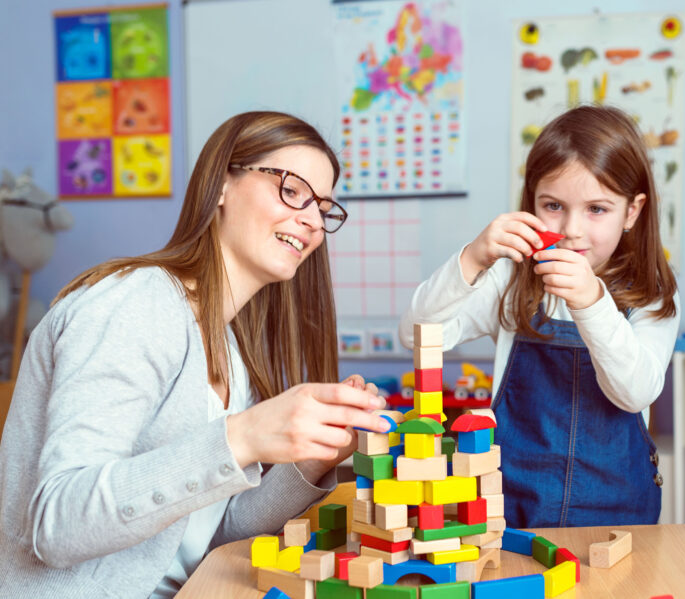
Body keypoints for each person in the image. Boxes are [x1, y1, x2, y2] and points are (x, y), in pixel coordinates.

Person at [0, 111, 392, 597]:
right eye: (292, 190)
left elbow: (204, 539)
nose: (313, 221)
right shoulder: (134, 303)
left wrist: (312, 460)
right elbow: (58, 524)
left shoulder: (229, 348)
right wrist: (244, 436)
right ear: (222, 184)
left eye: (324, 208)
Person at [399, 105, 680, 528]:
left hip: (619, 516)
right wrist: (473, 259)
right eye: (553, 205)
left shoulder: (653, 291)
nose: (571, 229)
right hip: (510, 511)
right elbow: (416, 334)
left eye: (597, 209)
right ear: (531, 200)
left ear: (633, 212)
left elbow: (635, 393)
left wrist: (591, 302)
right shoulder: (510, 279)